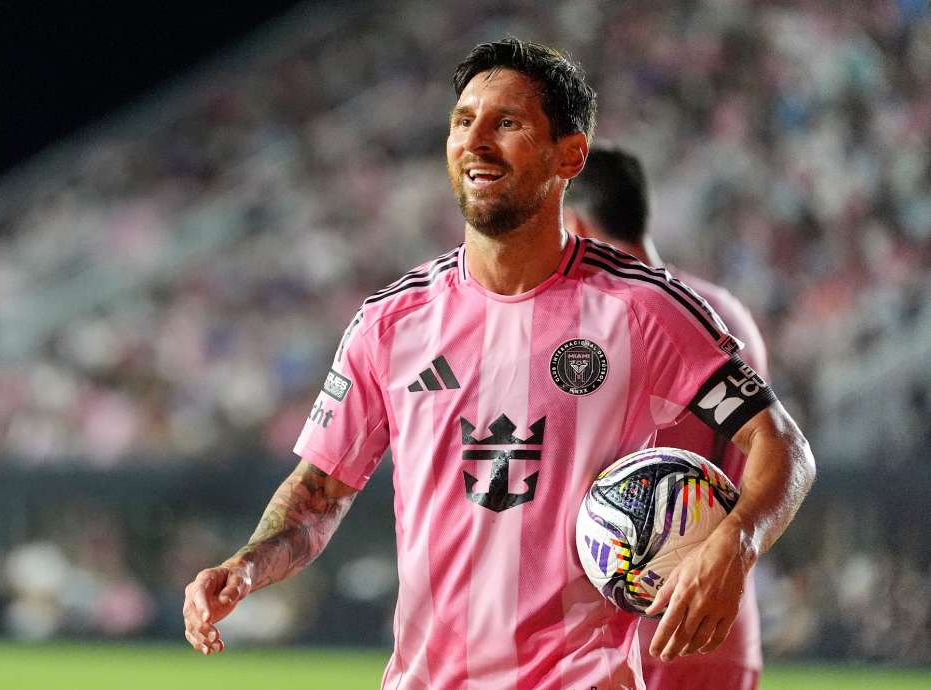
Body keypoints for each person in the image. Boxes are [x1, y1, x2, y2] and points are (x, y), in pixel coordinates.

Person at [182, 37, 815, 690]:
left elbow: (781, 446)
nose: (476, 140)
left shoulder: (641, 310)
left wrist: (736, 544)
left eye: (506, 123)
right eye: (463, 121)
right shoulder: (390, 324)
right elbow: (319, 493)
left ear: (569, 155)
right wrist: (247, 567)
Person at [566, 146, 768, 689]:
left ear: (574, 222)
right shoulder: (725, 312)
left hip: (625, 627)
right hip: (720, 616)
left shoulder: (600, 321)